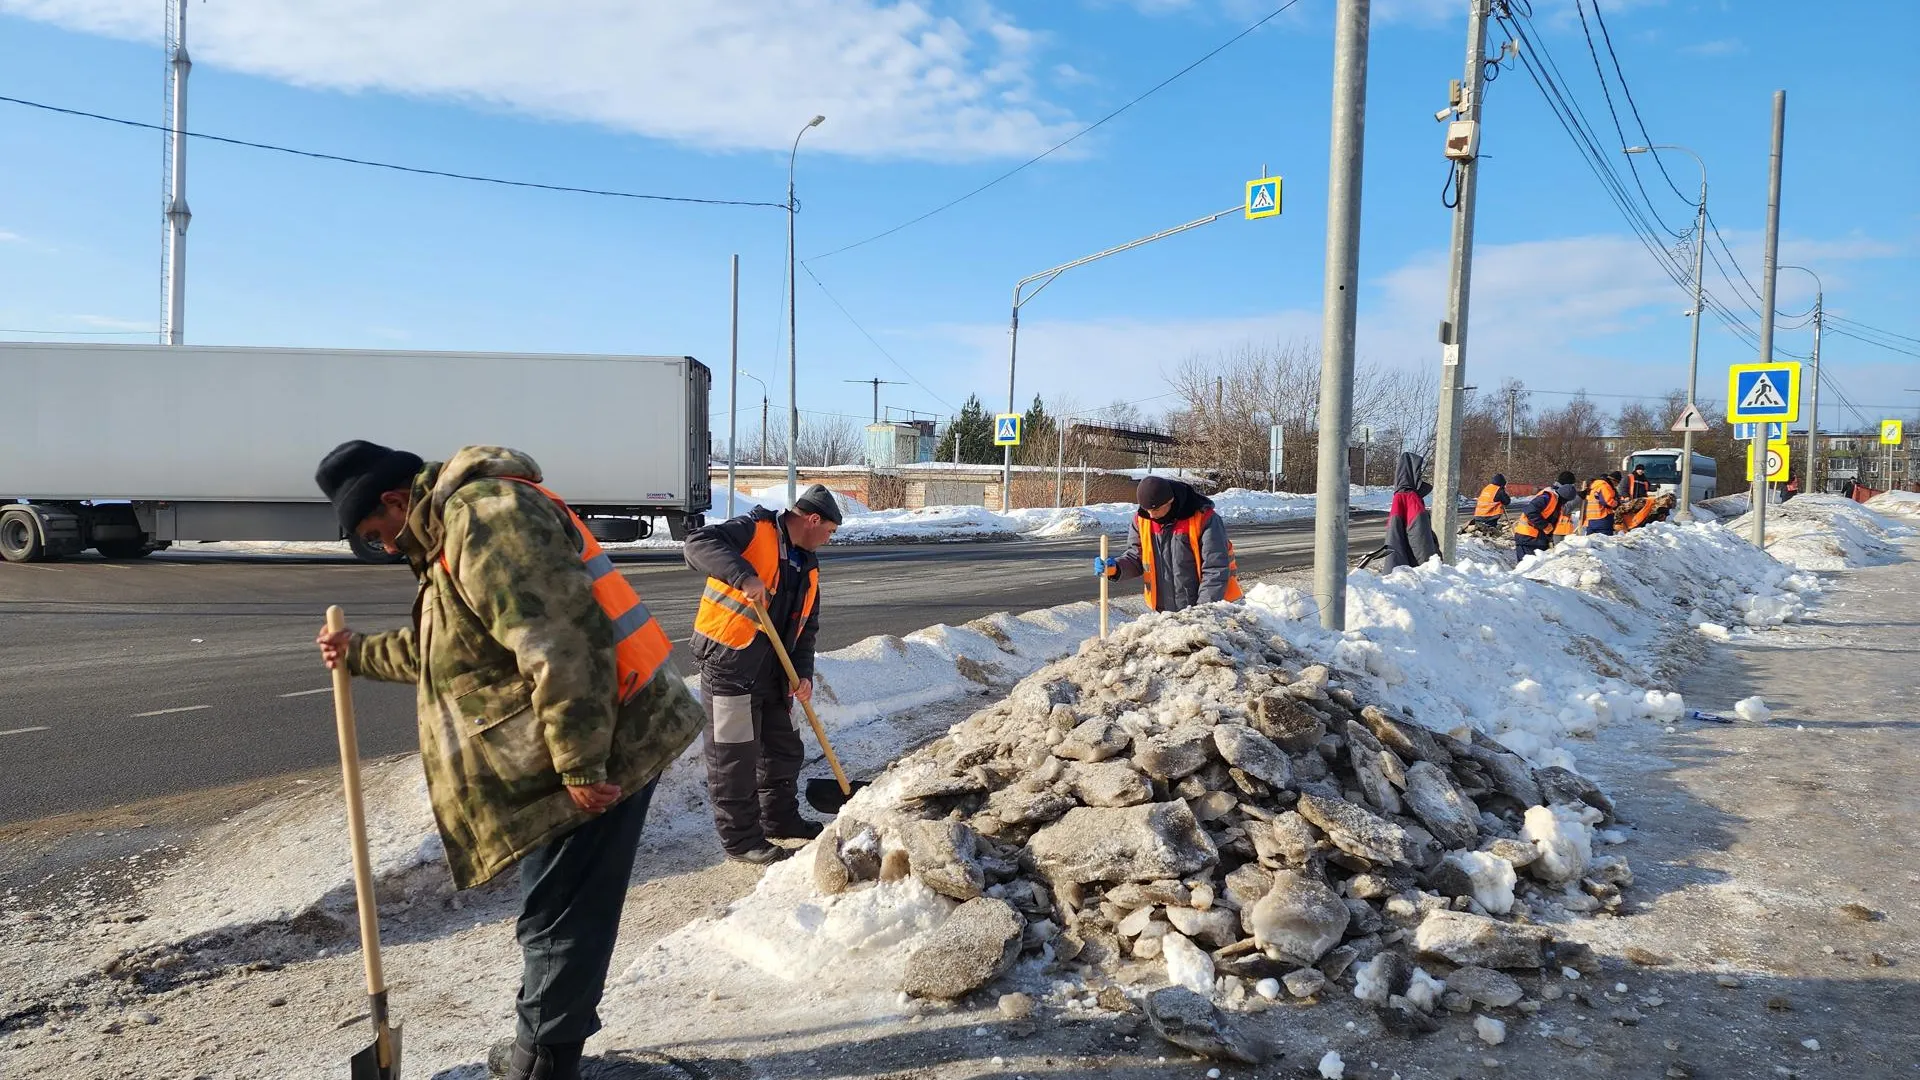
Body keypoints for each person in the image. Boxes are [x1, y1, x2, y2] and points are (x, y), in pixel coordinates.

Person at [312, 441, 703, 1080]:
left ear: (392, 500)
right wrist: (358, 653)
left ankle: (544, 1061)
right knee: (552, 911)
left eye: (377, 532)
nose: (383, 546)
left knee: (562, 914)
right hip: (567, 748)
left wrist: (580, 764)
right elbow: (448, 651)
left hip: (597, 745)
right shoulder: (448, 537)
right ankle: (540, 1043)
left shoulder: (485, 518)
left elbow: (561, 640)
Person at [682, 485, 840, 867]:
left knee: (782, 749)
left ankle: (779, 817)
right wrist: (743, 576)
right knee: (733, 757)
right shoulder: (757, 529)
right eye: (830, 532)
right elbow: (696, 544)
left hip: (775, 674)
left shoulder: (807, 564)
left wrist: (802, 674)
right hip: (729, 664)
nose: (829, 540)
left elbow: (808, 626)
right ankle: (741, 841)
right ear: (813, 519)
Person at [1098, 476, 1243, 611]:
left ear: (1170, 501)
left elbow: (1215, 569)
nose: (1151, 515)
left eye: (1155, 510)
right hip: (1164, 612)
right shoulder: (1141, 520)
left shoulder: (1204, 518)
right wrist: (1115, 568)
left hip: (1205, 609)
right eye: (1147, 510)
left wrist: (1202, 612)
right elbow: (1136, 558)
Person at [1382, 452, 1440, 570]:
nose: (1421, 477)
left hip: (1403, 564)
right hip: (1413, 567)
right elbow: (1420, 537)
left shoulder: (1400, 495)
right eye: (1419, 473)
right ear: (1413, 473)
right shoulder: (1409, 498)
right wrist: (1429, 567)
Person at [1515, 471, 1577, 562]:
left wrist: (1548, 536)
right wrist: (1545, 526)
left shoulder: (1556, 502)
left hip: (1537, 538)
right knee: (1527, 567)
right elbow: (1530, 511)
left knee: (1538, 567)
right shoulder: (1548, 497)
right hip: (1528, 537)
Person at [1584, 470, 1621, 535]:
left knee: (1591, 542)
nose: (1616, 486)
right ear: (1614, 481)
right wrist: (1617, 503)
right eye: (1617, 483)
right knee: (1604, 542)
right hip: (1602, 518)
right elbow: (1607, 502)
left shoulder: (1595, 486)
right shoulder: (1605, 486)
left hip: (1591, 518)